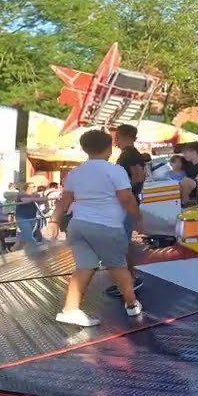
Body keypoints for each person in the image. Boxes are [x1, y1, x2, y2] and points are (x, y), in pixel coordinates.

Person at [42, 129, 143, 327]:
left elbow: (65, 200)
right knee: (118, 266)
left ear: (84, 149)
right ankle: (132, 305)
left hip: (78, 225)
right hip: (107, 225)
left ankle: (70, 309)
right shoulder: (115, 171)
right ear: (109, 149)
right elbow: (126, 198)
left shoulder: (75, 172)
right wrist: (138, 218)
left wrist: (54, 221)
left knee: (84, 267)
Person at [113, 124, 147, 292]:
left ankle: (129, 279)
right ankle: (128, 278)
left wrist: (125, 190)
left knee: (122, 242)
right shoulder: (131, 154)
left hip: (127, 202)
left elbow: (138, 176)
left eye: (117, 137)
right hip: (128, 201)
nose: (115, 141)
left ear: (123, 137)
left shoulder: (129, 155)